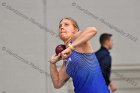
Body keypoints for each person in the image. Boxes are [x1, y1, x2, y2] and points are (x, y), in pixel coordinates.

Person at [49, 17, 110, 93]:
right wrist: (52, 63)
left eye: (66, 25)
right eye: (60, 26)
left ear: (75, 30)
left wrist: (71, 47)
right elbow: (57, 84)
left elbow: (93, 30)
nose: (62, 27)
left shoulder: (76, 39)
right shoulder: (66, 61)